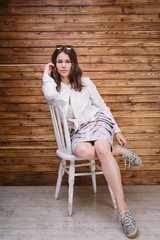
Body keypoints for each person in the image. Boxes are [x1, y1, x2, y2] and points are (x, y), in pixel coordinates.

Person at [42, 45, 142, 238]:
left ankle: (124, 211)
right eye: (59, 61)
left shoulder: (86, 82)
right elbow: (49, 96)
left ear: (73, 64)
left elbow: (102, 107)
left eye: (67, 61)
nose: (63, 65)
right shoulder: (53, 87)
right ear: (54, 64)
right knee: (86, 153)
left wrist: (117, 129)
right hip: (78, 131)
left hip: (97, 122)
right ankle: (119, 151)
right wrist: (45, 75)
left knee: (102, 149)